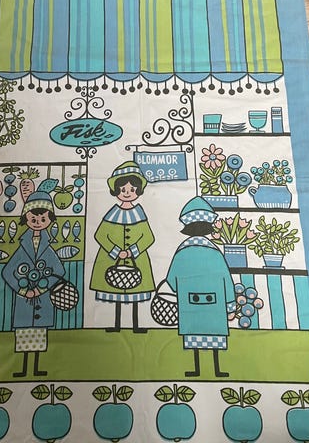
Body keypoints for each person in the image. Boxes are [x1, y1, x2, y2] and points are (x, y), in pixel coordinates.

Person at [165, 196, 236, 377]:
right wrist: (230, 306)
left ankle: (196, 369)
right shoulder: (215, 253)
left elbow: (171, 278)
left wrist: (172, 291)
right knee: (215, 337)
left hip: (189, 304)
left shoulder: (182, 252)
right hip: (215, 305)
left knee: (194, 336)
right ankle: (217, 369)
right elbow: (227, 280)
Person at [2, 189, 64, 377]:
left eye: (43, 219)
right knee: (23, 335)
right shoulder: (22, 246)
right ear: (26, 218)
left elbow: (59, 271)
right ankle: (23, 368)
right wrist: (22, 291)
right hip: (24, 299)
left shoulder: (48, 246)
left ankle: (36, 368)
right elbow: (7, 272)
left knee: (39, 335)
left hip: (42, 298)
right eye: (34, 219)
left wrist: (41, 289)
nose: (38, 222)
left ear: (50, 220)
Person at [90, 161, 156, 333]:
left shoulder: (139, 213)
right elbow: (100, 235)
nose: (127, 193)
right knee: (116, 293)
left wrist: (132, 251)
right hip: (111, 260)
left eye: (132, 189)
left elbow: (148, 237)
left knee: (135, 292)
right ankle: (116, 324)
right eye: (123, 189)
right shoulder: (112, 213)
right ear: (116, 190)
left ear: (138, 191)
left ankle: (136, 325)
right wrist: (116, 251)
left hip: (137, 260)